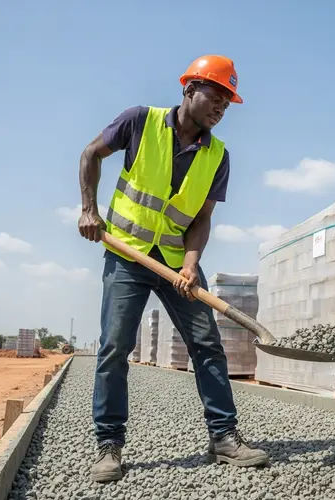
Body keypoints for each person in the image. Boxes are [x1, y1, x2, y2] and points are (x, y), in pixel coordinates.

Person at [78, 55, 269, 483]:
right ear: (189, 90)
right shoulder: (139, 121)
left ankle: (223, 437)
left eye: (227, 102)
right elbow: (91, 154)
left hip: (177, 263)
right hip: (127, 256)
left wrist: (190, 265)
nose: (221, 108)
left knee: (207, 346)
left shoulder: (218, 156)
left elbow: (201, 220)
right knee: (113, 348)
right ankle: (109, 444)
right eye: (216, 97)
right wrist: (89, 210)